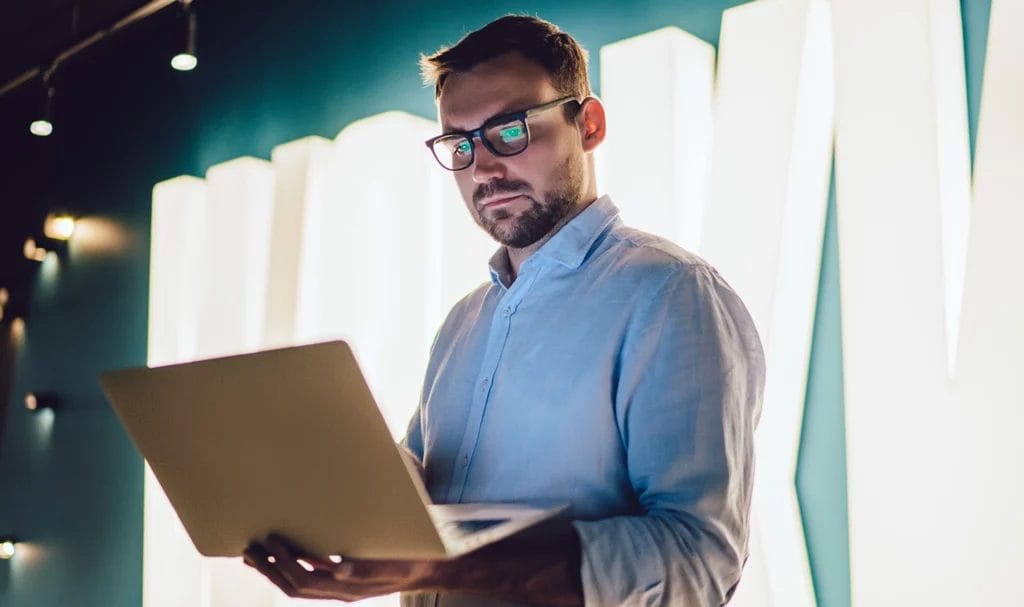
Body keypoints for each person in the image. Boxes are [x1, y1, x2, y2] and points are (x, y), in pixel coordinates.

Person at [244, 14, 764, 607]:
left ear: (588, 123)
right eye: (460, 144)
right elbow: (430, 491)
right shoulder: (464, 322)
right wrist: (357, 495)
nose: (483, 169)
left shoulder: (672, 294)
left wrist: (441, 570)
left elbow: (699, 560)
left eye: (510, 130)